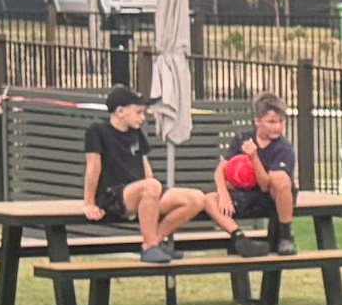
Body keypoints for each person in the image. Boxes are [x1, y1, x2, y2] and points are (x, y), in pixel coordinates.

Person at [81, 91, 236, 262]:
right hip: (113, 195)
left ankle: (155, 240)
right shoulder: (97, 131)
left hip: (143, 191)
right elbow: (93, 167)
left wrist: (155, 192)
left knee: (197, 198)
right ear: (120, 111)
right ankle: (150, 246)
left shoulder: (136, 133)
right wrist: (89, 203)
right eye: (138, 112)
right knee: (151, 185)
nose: (142, 118)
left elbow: (145, 165)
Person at [217, 97, 303, 253]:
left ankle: (286, 235)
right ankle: (239, 238)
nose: (277, 127)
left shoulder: (284, 148)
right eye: (271, 122)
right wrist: (223, 195)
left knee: (280, 179)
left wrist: (254, 157)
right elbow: (220, 170)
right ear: (258, 121)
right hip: (246, 193)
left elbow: (265, 186)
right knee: (208, 199)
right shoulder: (242, 139)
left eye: (281, 122)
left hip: (270, 197)